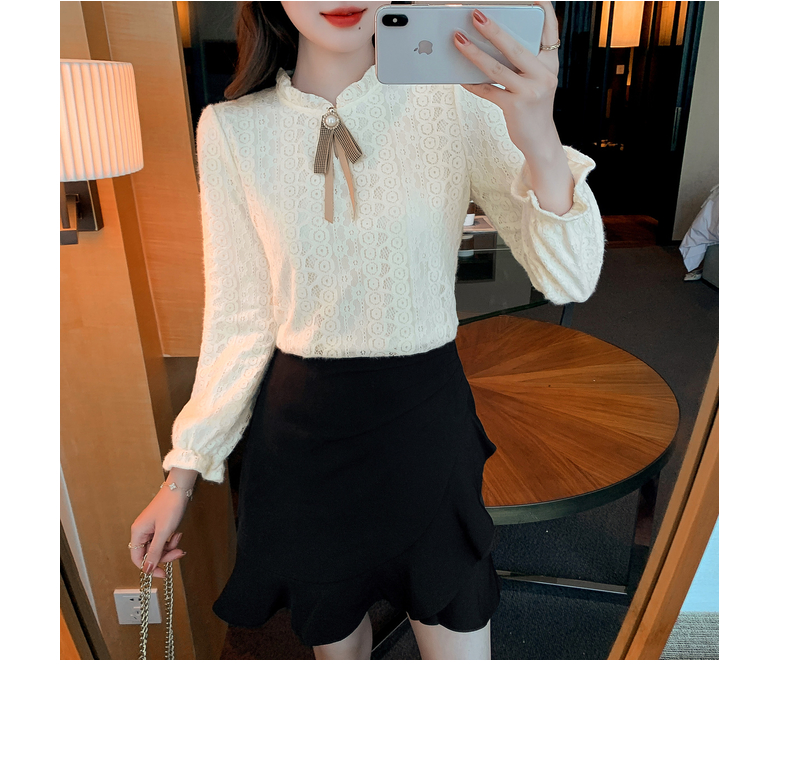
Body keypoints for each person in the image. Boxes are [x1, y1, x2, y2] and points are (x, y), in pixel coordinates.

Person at [128, 1, 606, 660]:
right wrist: (180, 475)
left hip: (426, 427)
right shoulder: (231, 132)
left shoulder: (456, 102)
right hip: (303, 445)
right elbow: (240, 318)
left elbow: (570, 277)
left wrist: (538, 135)